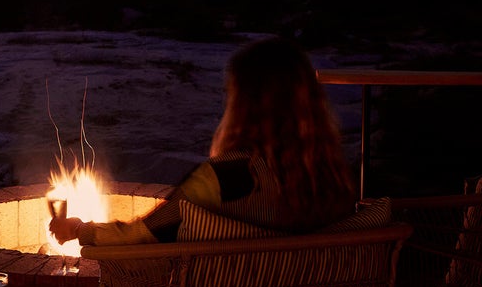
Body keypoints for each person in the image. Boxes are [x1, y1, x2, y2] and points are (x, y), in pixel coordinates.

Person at [50, 36, 358, 246]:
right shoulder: (332, 177)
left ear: (243, 104)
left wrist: (80, 229)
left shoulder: (227, 177)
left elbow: (143, 235)